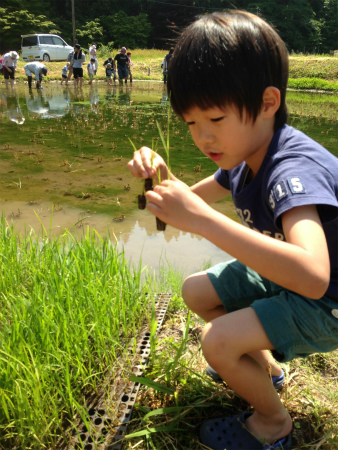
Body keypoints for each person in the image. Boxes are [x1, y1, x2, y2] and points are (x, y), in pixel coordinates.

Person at [127, 10, 338, 450]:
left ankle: (273, 424)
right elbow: (187, 202)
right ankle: (269, 372)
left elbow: (315, 276)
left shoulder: (290, 171)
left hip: (328, 303)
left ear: (267, 102)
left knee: (217, 342)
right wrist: (159, 176)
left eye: (216, 120)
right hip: (291, 278)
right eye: (191, 123)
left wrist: (203, 222)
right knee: (196, 291)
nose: (204, 138)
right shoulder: (243, 155)